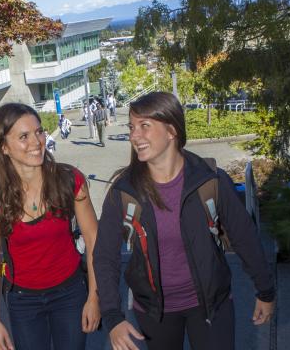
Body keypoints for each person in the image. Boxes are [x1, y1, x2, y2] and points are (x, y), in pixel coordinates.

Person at [93, 92, 275, 350]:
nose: (134, 136)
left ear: (171, 131)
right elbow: (105, 257)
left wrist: (265, 291)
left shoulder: (210, 180)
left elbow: (244, 237)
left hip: (213, 305)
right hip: (154, 312)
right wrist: (113, 316)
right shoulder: (124, 191)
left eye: (145, 126)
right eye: (132, 127)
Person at [0, 103, 101, 350]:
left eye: (39, 132)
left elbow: (94, 240)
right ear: (4, 147)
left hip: (70, 293)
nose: (36, 142)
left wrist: (94, 297)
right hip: (22, 300)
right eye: (23, 136)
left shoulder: (70, 180)